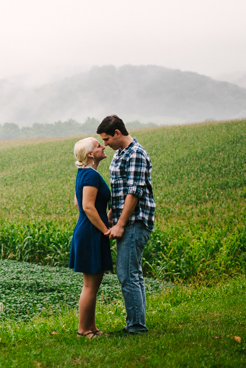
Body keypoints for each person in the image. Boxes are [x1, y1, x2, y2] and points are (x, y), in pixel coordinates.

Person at [97, 115, 156, 335]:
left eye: (106, 139)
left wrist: (120, 224)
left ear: (117, 133)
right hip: (125, 217)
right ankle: (137, 322)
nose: (105, 144)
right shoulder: (119, 153)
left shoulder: (136, 154)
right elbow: (121, 188)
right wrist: (113, 210)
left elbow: (135, 191)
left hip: (135, 220)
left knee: (127, 273)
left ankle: (136, 327)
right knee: (133, 273)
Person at [68, 136, 113, 338]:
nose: (102, 146)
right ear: (90, 154)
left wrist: (106, 215)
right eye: (97, 145)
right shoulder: (92, 176)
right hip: (91, 233)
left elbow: (79, 203)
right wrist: (106, 229)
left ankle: (92, 328)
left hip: (88, 231)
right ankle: (83, 331)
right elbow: (86, 206)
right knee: (89, 285)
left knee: (93, 284)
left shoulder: (83, 174)